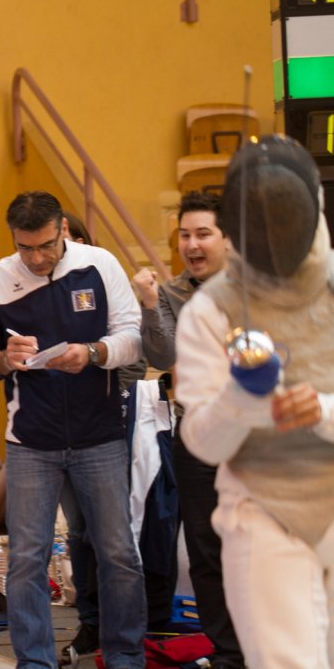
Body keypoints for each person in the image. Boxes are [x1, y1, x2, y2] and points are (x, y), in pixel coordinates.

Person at [0, 191, 146, 668]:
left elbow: (133, 338)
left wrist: (93, 353)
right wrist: (5, 360)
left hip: (100, 436)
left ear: (63, 228)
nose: (36, 259)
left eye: (45, 246)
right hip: (30, 444)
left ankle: (126, 657)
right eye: (24, 248)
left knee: (118, 553)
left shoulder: (100, 266)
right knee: (27, 559)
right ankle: (35, 662)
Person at [176, 135, 334, 668]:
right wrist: (241, 396)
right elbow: (204, 442)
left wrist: (323, 410)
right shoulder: (210, 310)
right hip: (263, 511)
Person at [133, 192, 244, 667]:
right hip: (197, 435)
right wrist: (150, 303)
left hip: (256, 438)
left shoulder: (259, 287)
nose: (192, 245)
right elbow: (162, 356)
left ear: (228, 238)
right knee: (205, 550)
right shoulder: (173, 292)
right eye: (185, 235)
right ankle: (229, 654)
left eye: (203, 234)